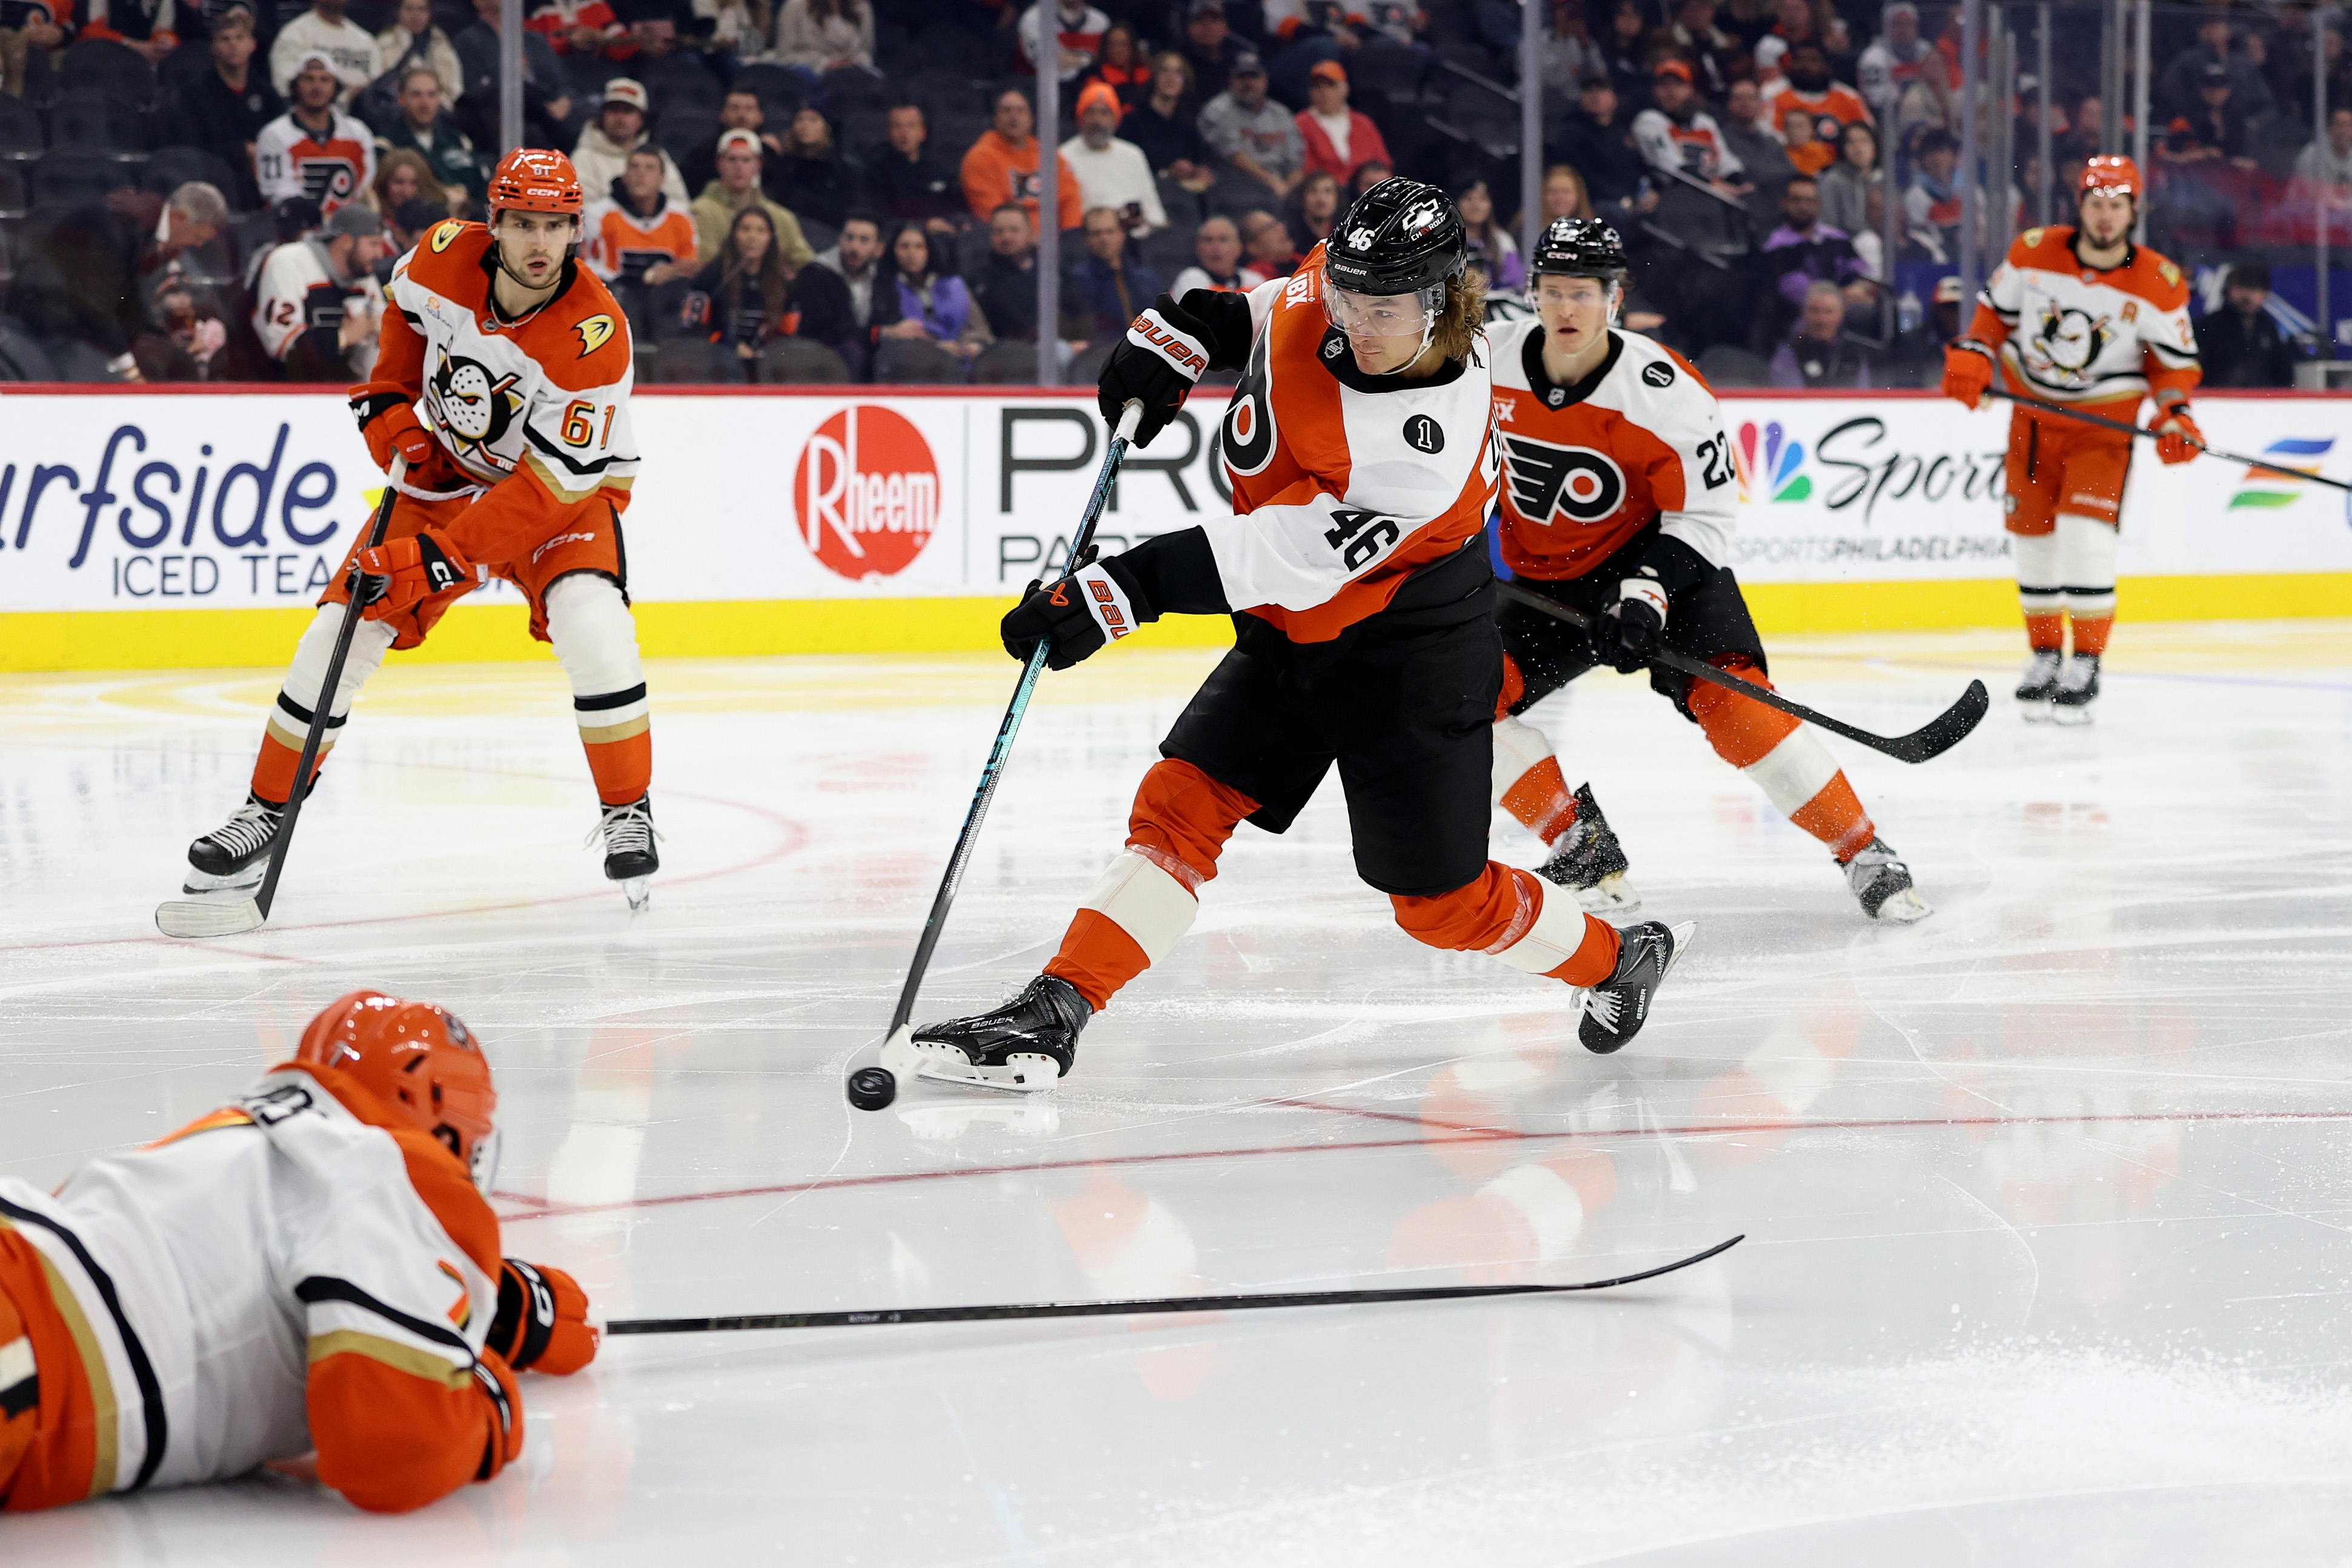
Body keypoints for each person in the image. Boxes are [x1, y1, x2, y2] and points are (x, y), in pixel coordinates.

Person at [905, 179, 1694, 1097]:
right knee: (1179, 805)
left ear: (1440, 302)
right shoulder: (1345, 285)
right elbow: (1265, 309)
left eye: (1385, 308)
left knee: (1438, 906)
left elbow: (1265, 557)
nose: (1357, 321)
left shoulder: (1415, 450)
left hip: (1411, 660)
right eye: (1349, 295)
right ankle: (1056, 1010)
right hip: (1299, 635)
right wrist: (1182, 335)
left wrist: (1115, 590)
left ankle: (1614, 959)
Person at [184, 150, 659, 903]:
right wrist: (392, 399)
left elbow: (554, 483)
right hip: (445, 475)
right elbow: (404, 310)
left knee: (592, 621)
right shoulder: (441, 254)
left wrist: (444, 557)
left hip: (559, 496)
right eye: (525, 224)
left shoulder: (595, 335)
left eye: (557, 227)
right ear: (494, 223)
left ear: (577, 231)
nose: (540, 244)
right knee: (341, 624)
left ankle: (628, 808)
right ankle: (266, 808)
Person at [0, 989, 596, 1515]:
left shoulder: (248, 1128)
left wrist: (465, 1312)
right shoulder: (384, 1167)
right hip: (31, 1343)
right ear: (448, 1127)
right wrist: (488, 1396)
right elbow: (395, 1447)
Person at [1487, 218, 1927, 923]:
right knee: (1454, 699)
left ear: (1616, 297)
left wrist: (1645, 591)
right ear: (1532, 294)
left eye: (1584, 293)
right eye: (1553, 291)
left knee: (1737, 705)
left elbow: (1706, 515)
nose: (1567, 309)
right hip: (1543, 578)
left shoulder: (1665, 389)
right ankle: (1579, 843)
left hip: (1659, 562)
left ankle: (1863, 848)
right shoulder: (1486, 361)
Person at [1941, 156, 2202, 725]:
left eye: (2117, 206)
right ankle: (2043, 655)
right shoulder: (2034, 252)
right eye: (2096, 205)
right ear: (2079, 206)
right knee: (2032, 540)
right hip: (2032, 420)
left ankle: (2085, 661)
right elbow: (1992, 317)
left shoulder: (2159, 281)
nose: (2105, 217)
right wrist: (1974, 352)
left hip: (2101, 431)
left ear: (2134, 210)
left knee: (2085, 538)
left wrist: (2175, 415)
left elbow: (2173, 368)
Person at [161, 5, 283, 211]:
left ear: (252, 44)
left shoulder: (267, 95)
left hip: (261, 181)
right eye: (225, 39)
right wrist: (242, 150)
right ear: (214, 47)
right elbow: (192, 147)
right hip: (212, 181)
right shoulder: (194, 95)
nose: (233, 45)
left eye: (240, 38)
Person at [584, 142, 699, 338]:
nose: (641, 174)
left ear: (662, 179)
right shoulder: (599, 215)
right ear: (625, 176)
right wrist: (646, 278)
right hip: (619, 301)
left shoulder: (681, 217)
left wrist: (669, 274)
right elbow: (597, 272)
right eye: (634, 167)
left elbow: (689, 267)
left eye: (649, 168)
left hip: (665, 303)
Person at [257, 53, 379, 216]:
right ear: (296, 85)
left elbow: (365, 188)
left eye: (324, 79)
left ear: (336, 86)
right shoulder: (274, 135)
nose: (316, 87)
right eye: (309, 79)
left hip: (349, 227)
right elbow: (278, 192)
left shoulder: (358, 133)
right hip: (296, 227)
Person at [453, 0, 577, 152]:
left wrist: (563, 100)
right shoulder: (468, 41)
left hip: (547, 111)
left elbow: (562, 81)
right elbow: (476, 91)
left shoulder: (534, 39)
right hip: (505, 115)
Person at [961, 86, 1085, 233]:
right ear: (996, 119)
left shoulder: (1049, 155)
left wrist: (1070, 237)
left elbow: (1070, 199)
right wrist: (1028, 237)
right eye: (1007, 111)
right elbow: (992, 213)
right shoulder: (980, 157)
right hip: (1008, 240)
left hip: (1054, 241)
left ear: (1030, 119)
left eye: (1020, 111)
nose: (1014, 117)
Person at [686, 205, 792, 373]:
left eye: (761, 231)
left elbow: (790, 332)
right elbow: (694, 327)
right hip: (719, 358)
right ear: (734, 235)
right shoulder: (714, 276)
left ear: (770, 238)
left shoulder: (782, 281)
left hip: (768, 359)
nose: (752, 237)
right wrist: (731, 345)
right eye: (745, 229)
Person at [692, 128, 813, 268]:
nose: (739, 167)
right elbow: (705, 264)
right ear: (719, 164)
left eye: (746, 160)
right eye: (732, 159)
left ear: (759, 165)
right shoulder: (701, 212)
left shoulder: (781, 217)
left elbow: (806, 263)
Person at [1062, 79, 1168, 238]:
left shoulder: (1133, 154)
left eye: (1105, 113)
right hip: (1086, 237)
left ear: (1115, 119)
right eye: (1090, 112)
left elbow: (1153, 209)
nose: (1097, 121)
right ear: (1080, 118)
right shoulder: (1063, 157)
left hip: (1134, 238)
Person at [1199, 50, 1303, 208]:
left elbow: (1295, 162)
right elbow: (1236, 157)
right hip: (1237, 186)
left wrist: (1292, 190)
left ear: (1265, 80)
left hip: (1280, 187)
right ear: (1231, 81)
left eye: (1254, 77)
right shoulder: (1218, 110)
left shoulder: (1280, 113)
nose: (1248, 83)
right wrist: (1274, 183)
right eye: (1242, 77)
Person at [376, 65, 487, 207]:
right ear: (401, 99)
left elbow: (481, 186)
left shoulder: (458, 140)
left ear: (439, 99)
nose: (425, 103)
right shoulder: (386, 144)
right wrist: (444, 194)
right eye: (416, 95)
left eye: (431, 94)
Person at [875, 221, 983, 367]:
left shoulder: (955, 285)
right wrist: (937, 349)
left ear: (929, 251)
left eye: (919, 247)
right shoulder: (883, 288)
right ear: (893, 250)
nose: (911, 253)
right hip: (911, 363)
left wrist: (972, 345)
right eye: (904, 246)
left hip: (960, 359)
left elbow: (980, 330)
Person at [573, 79, 689, 212]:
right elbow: (581, 210)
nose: (620, 118)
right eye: (614, 110)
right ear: (602, 116)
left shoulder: (656, 156)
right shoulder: (584, 157)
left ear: (641, 120)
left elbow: (680, 205)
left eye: (628, 111)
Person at [1632, 59, 1743, 192]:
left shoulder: (1705, 122)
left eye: (1678, 85)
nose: (1671, 91)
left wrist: (1740, 182)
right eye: (1664, 85)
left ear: (1690, 89)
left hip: (1716, 192)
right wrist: (1713, 185)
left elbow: (1726, 161)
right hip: (1672, 191)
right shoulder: (1649, 120)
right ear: (1655, 90)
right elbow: (1671, 165)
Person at [2194, 259, 2299, 389]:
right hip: (2217, 402)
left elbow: (2283, 375)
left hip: (2260, 403)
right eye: (2241, 287)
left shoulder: (2268, 328)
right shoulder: (2207, 326)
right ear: (2230, 290)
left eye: (2254, 289)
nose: (2247, 296)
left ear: (2265, 294)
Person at [1065, 204, 1163, 337]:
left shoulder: (1146, 279)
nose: (1104, 240)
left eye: (1110, 231)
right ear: (1087, 239)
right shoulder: (1078, 281)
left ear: (1122, 234)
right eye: (1096, 234)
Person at [1123, 51, 1215, 194]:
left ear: (1185, 81)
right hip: (1146, 191)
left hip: (1186, 193)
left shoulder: (1188, 122)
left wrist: (1199, 171)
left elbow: (1201, 159)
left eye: (1178, 72)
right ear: (1154, 76)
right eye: (1165, 70)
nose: (1171, 78)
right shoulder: (1133, 121)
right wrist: (1167, 173)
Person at [864, 102, 962, 235]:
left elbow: (957, 205)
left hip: (941, 236)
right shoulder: (877, 170)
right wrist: (922, 226)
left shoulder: (938, 168)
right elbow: (879, 215)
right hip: (898, 237)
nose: (904, 133)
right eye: (898, 127)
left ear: (923, 133)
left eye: (911, 126)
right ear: (889, 132)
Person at [1554, 76, 1647, 210]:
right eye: (1589, 91)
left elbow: (1637, 171)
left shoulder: (1624, 135)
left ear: (1614, 98)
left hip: (1629, 202)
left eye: (1602, 90)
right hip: (1592, 205)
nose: (1596, 96)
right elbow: (1584, 178)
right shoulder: (1572, 135)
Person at [1294, 58, 1390, 185]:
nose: (1324, 92)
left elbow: (1383, 164)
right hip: (1325, 193)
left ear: (1344, 90)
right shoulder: (1300, 124)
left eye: (1330, 85)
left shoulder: (1363, 123)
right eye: (1317, 87)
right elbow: (1305, 168)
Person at [771, 105, 860, 233]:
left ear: (827, 127)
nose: (805, 126)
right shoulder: (783, 165)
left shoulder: (841, 170)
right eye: (800, 119)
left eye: (813, 120)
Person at [270, 0, 379, 101]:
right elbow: (285, 86)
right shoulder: (295, 34)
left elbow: (379, 88)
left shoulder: (366, 41)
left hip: (360, 115)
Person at [682, 88, 780, 197]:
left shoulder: (772, 157)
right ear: (722, 114)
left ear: (761, 117)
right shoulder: (702, 155)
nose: (741, 115)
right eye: (734, 108)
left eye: (749, 109)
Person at [1770, 277, 1867, 385]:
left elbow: (1864, 393)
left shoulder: (1854, 354)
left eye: (1828, 312)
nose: (1822, 319)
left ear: (1841, 314)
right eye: (1814, 311)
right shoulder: (1790, 352)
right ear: (1804, 313)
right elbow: (1790, 396)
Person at [1769, 42, 1870, 145]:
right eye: (1799, 60)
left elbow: (1868, 136)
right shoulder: (1772, 94)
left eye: (1813, 60)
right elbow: (1768, 137)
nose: (1805, 66)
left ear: (1826, 66)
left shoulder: (1850, 98)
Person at [971, 201, 1041, 342]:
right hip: (1003, 349)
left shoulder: (1051, 272)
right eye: (999, 232)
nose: (1006, 237)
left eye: (1014, 230)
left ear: (1030, 232)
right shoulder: (981, 278)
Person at [375, 0, 463, 106]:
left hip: (439, 109)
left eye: (421, 9)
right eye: (409, 9)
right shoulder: (384, 44)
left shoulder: (442, 44)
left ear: (429, 14)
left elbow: (455, 89)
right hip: (394, 107)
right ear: (398, 12)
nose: (415, 15)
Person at [1167, 213, 1263, 295]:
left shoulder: (1255, 280)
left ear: (1239, 248)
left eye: (1223, 240)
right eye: (1208, 240)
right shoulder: (1190, 279)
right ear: (1198, 248)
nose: (1215, 247)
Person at [1018, 0, 1111, 84]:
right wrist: (1086, 60)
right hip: (1040, 86)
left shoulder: (1101, 22)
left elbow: (1105, 60)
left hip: (1088, 85)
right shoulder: (1034, 19)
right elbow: (1049, 61)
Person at [1903, 125, 1961, 259]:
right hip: (1934, 261)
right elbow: (1919, 239)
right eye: (1930, 153)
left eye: (1942, 151)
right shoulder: (1915, 195)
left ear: (1954, 156)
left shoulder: (1971, 191)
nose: (1936, 158)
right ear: (1922, 160)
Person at [1455, 178, 1521, 291]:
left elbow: (1516, 282)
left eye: (1482, 199)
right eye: (1468, 199)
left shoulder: (1502, 240)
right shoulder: (1447, 240)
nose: (1476, 205)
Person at [1816, 118, 1878, 239]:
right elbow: (1827, 226)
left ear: (1875, 147)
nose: (1858, 148)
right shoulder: (1831, 181)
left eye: (1864, 141)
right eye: (1851, 142)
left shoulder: (1882, 180)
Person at [772, 0, 872, 75]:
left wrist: (854, 63)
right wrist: (826, 64)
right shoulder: (795, 7)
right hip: (812, 78)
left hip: (853, 77)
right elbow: (784, 57)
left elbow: (866, 51)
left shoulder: (861, 7)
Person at [371, 147, 451, 220]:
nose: (407, 191)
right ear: (384, 183)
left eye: (414, 183)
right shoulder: (374, 221)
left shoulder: (438, 219)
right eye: (399, 182)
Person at [1287, 165, 1341, 245]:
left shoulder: (1344, 234)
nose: (1321, 199)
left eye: (1328, 191)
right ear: (1302, 197)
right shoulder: (1289, 236)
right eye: (1313, 191)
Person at [1240, 208, 1299, 279]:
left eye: (1277, 223)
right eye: (1269, 228)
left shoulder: (1307, 260)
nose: (1281, 228)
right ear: (1253, 247)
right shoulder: (1252, 279)